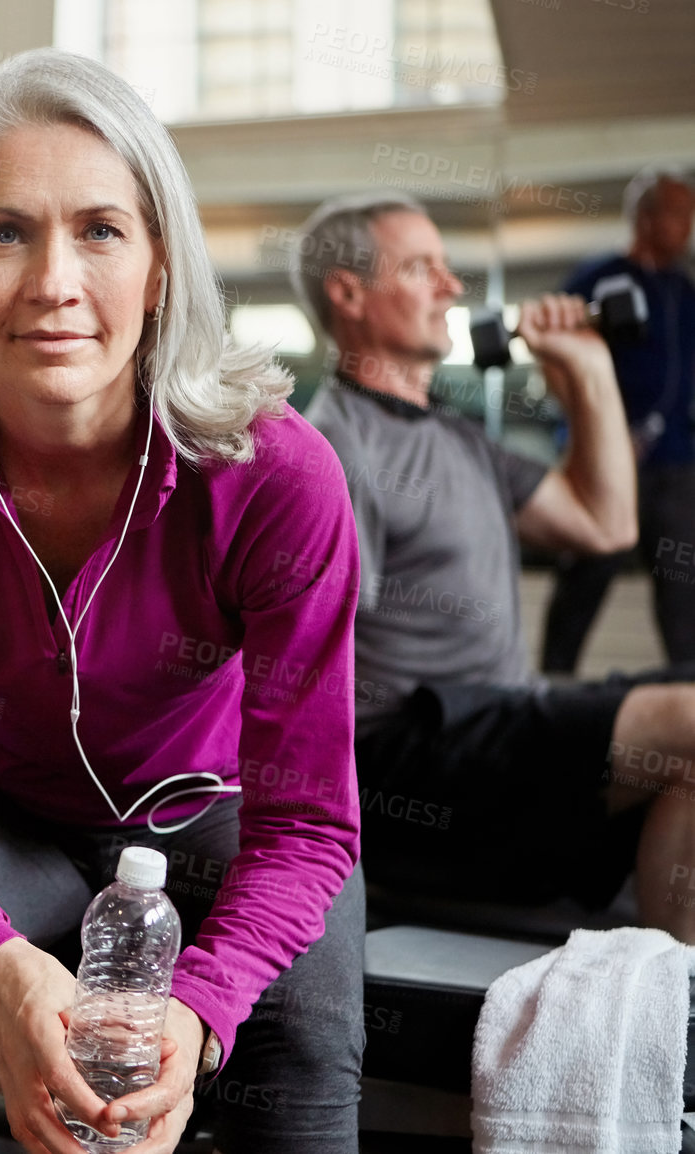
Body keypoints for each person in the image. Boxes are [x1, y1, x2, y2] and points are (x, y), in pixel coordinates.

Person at [0, 49, 364, 1154]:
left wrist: (197, 1013)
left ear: (157, 263)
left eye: (100, 229)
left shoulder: (276, 472)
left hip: (214, 812)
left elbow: (307, 823)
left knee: (298, 1045)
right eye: (7, 232)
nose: (54, 280)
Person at [294, 190, 695, 933]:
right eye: (422, 268)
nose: (452, 288)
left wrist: (586, 364)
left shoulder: (457, 438)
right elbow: (317, 665)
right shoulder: (337, 449)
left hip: (505, 719)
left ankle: (668, 1003)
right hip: (416, 759)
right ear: (348, 293)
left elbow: (604, 524)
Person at [541, 168, 695, 672]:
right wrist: (591, 428)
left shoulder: (684, 289)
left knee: (682, 593)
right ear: (645, 218)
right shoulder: (600, 279)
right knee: (587, 575)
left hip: (674, 466)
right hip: (611, 463)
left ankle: (685, 697)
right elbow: (554, 357)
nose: (688, 225)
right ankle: (551, 685)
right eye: (679, 213)